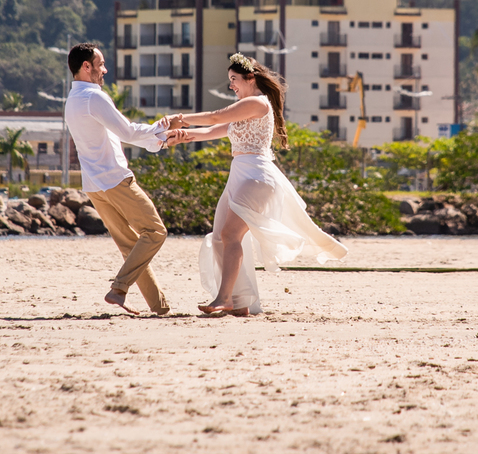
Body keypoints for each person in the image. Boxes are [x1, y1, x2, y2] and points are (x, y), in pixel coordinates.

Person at [166, 53, 347, 316]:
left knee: (230, 235)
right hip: (240, 175)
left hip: (257, 177)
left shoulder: (258, 103)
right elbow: (211, 131)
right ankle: (240, 302)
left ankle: (224, 298)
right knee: (219, 237)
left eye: (234, 80)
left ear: (250, 78)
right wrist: (181, 135)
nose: (231, 86)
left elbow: (216, 117)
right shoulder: (243, 110)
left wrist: (181, 118)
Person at [64, 43, 177, 316]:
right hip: (115, 180)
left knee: (130, 246)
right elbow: (127, 132)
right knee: (156, 232)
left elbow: (115, 137)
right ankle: (119, 288)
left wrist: (158, 142)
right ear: (86, 67)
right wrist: (162, 127)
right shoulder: (94, 97)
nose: (105, 69)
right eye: (100, 64)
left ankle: (159, 307)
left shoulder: (73, 100)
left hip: (94, 186)